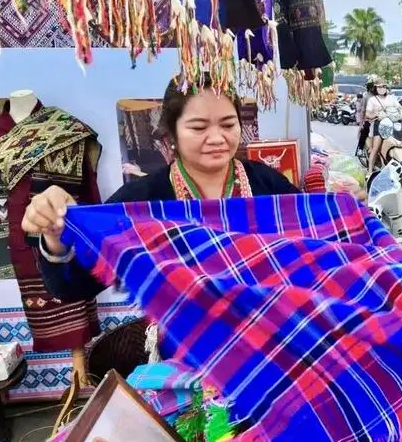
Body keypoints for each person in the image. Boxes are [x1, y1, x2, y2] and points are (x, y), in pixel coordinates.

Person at [21, 76, 300, 301]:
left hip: (270, 343)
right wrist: (56, 236)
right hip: (186, 352)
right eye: (198, 127)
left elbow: (314, 250)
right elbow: (72, 287)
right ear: (172, 134)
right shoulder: (141, 202)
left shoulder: (269, 186)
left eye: (228, 124)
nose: (217, 137)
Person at [364, 77, 402, 171]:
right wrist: (375, 114)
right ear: (375, 88)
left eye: (383, 86)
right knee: (375, 148)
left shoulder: (392, 98)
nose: (381, 88)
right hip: (380, 125)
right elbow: (367, 113)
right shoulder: (372, 100)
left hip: (393, 123)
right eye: (379, 87)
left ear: (386, 88)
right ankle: (370, 170)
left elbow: (400, 108)